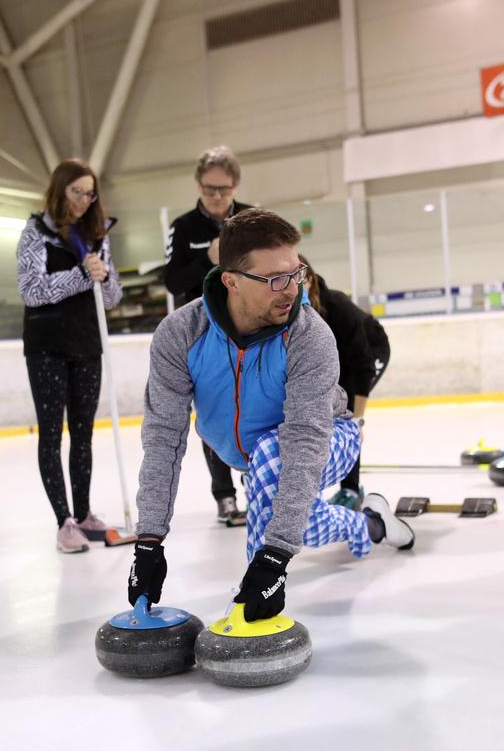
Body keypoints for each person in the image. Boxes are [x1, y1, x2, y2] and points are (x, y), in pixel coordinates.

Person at [127, 208, 414, 622]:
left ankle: (245, 603)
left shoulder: (309, 335)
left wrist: (274, 559)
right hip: (256, 459)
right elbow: (163, 439)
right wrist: (149, 541)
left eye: (296, 274)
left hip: (331, 436)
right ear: (231, 281)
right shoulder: (181, 334)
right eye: (275, 280)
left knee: (272, 464)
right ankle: (372, 525)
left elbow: (303, 441)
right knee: (303, 521)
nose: (292, 290)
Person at [17, 158, 122, 554]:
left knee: (83, 435)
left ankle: (84, 513)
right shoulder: (36, 233)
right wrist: (81, 274)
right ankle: (63, 521)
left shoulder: (98, 236)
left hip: (86, 344)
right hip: (46, 346)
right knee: (51, 434)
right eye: (76, 191)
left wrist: (104, 277)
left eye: (89, 192)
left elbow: (112, 299)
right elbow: (31, 290)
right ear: (60, 190)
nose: (83, 199)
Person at [163, 146, 253, 524]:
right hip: (203, 335)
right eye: (209, 189)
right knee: (214, 415)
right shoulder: (183, 228)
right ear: (199, 186)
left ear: (235, 186)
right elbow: (172, 282)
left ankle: (258, 484)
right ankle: (225, 497)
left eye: (224, 189)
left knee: (255, 408)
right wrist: (207, 260)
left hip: (249, 330)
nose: (217, 197)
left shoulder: (251, 219)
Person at [297, 255, 391, 509]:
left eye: (299, 281)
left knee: (346, 415)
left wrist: (358, 419)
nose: (293, 289)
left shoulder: (337, 307)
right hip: (334, 360)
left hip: (369, 351)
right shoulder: (288, 311)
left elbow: (362, 367)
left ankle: (350, 490)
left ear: (310, 281)